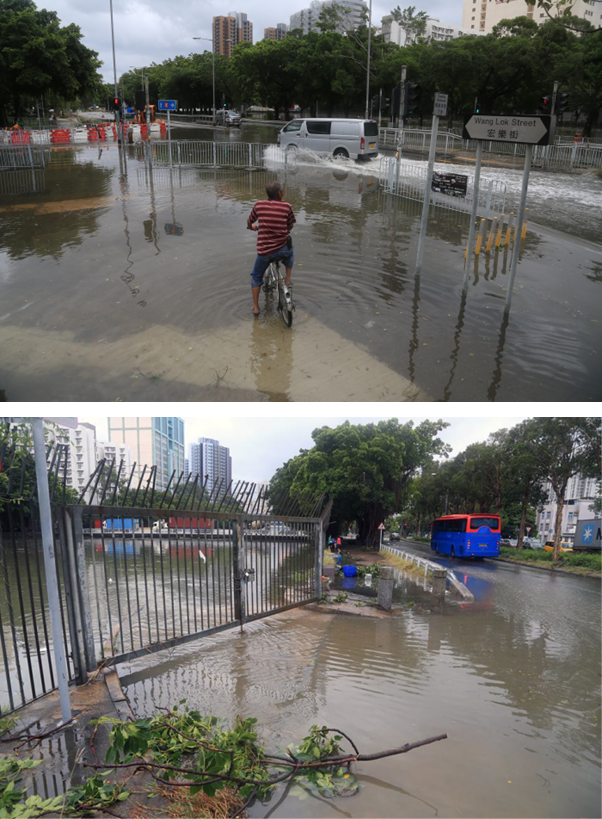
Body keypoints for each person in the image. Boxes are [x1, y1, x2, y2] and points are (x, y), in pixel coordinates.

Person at [247, 180, 296, 316]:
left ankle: (256, 307)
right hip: (282, 250)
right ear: (279, 194)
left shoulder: (259, 205)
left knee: (256, 277)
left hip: (265, 252)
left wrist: (252, 227)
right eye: (283, 191)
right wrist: (284, 228)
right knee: (290, 251)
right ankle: (287, 278)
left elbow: (250, 221)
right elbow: (290, 225)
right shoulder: (287, 206)